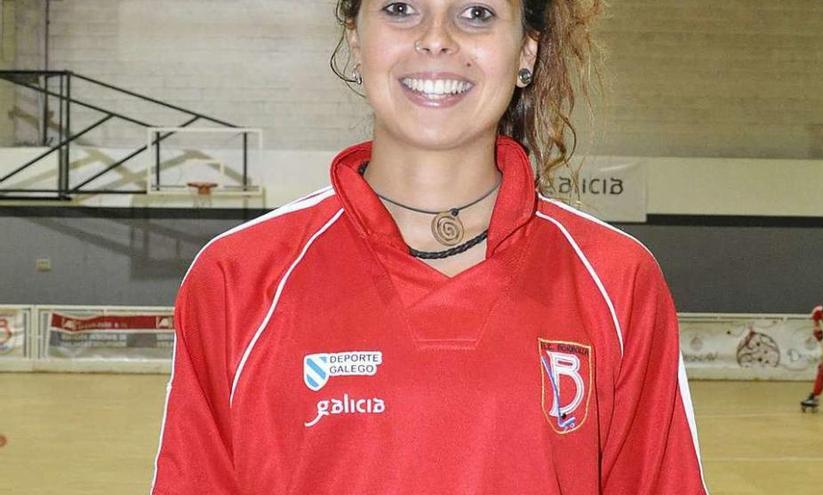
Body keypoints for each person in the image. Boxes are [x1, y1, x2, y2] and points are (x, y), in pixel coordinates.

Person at [150, 1, 708, 493]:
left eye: (476, 14)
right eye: (399, 8)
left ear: (527, 52)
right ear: (354, 37)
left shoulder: (616, 279)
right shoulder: (238, 277)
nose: (437, 38)